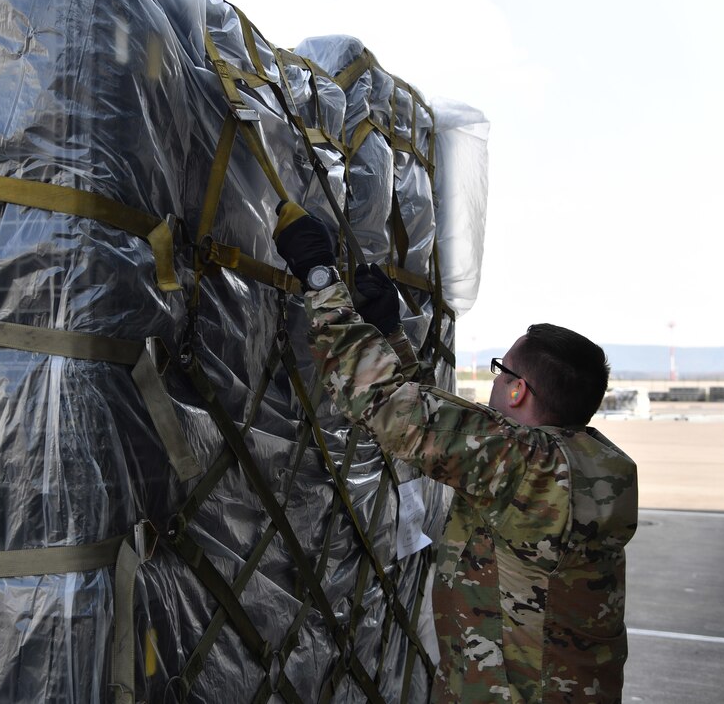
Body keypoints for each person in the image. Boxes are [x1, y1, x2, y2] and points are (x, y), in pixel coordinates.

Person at [274, 204, 639, 703]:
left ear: (517, 391)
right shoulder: (573, 464)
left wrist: (320, 279)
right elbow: (445, 437)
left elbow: (395, 413)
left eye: (499, 370)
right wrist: (393, 336)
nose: (494, 382)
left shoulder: (530, 465)